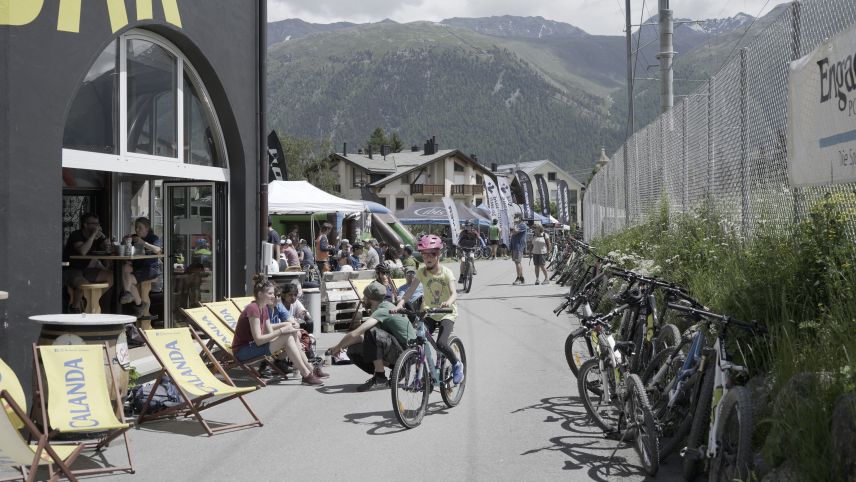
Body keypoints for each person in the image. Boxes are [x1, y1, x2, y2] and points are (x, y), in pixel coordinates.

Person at [231, 275, 325, 385]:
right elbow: (258, 340)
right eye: (270, 294)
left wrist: (286, 326)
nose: (273, 296)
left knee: (292, 334)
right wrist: (282, 331)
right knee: (287, 336)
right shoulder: (253, 309)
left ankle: (309, 370)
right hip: (243, 351)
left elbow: (269, 331)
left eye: (273, 294)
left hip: (253, 347)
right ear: (260, 294)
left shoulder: (263, 308)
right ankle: (306, 374)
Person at [396, 235, 464, 384]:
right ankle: (419, 376)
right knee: (418, 340)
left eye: (431, 253)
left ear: (438, 254)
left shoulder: (446, 272)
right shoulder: (421, 272)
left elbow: (454, 293)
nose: (427, 257)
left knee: (441, 343)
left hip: (447, 314)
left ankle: (456, 364)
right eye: (424, 254)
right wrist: (400, 304)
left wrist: (448, 302)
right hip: (430, 313)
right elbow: (409, 291)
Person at [326, 281, 417, 391]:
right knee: (353, 350)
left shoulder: (383, 310)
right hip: (403, 350)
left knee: (371, 331)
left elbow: (357, 332)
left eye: (365, 296)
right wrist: (341, 345)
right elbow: (365, 339)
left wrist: (336, 348)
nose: (363, 299)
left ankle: (380, 378)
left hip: (406, 352)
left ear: (371, 299)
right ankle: (396, 368)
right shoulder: (385, 306)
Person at [63, 212, 113, 312]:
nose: (97, 226)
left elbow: (108, 250)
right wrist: (93, 235)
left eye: (98, 224)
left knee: (111, 276)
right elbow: (83, 251)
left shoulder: (96, 237)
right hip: (71, 269)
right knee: (83, 284)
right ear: (85, 225)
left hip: (86, 270)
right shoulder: (76, 234)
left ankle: (94, 300)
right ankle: (75, 307)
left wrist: (106, 243)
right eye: (94, 224)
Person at [120, 216, 162, 317]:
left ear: (147, 228)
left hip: (150, 268)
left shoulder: (153, 238)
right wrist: (124, 242)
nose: (137, 230)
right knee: (124, 269)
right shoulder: (134, 238)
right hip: (137, 266)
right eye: (136, 227)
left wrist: (143, 243)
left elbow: (157, 250)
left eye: (140, 227)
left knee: (127, 279)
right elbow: (127, 253)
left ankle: (134, 299)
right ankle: (133, 298)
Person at [510, 214, 528, 285]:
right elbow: (512, 231)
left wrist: (514, 225)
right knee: (517, 262)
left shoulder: (522, 225)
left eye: (515, 218)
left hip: (518, 246)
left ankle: (518, 278)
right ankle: (522, 277)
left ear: (519, 218)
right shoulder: (518, 225)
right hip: (514, 246)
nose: (514, 219)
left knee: (517, 262)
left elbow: (515, 231)